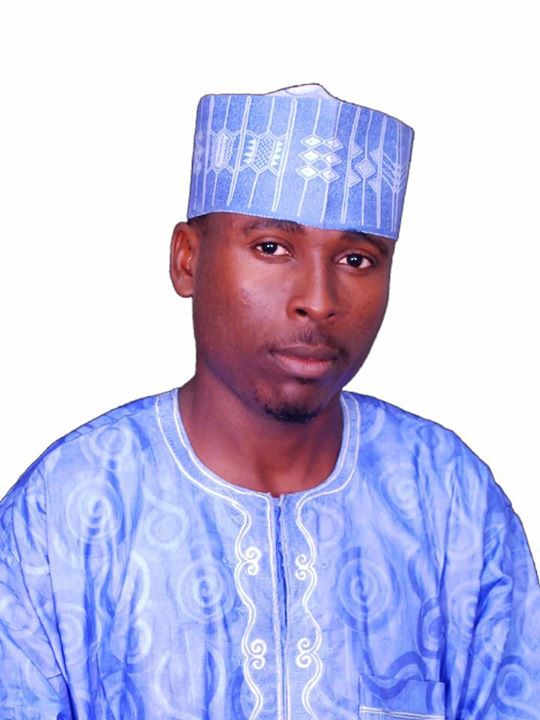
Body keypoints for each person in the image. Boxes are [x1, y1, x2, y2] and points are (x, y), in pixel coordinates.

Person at [0, 84, 538, 720]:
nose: (319, 299)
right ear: (187, 260)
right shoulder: (67, 508)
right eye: (272, 248)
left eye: (357, 258)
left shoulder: (449, 499)